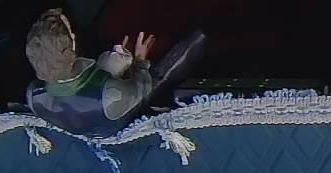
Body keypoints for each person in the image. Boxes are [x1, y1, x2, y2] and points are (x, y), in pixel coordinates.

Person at [24, 8, 206, 136]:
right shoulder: (108, 97)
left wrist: (104, 70)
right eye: (70, 33)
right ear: (67, 48)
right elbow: (143, 87)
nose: (73, 35)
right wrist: (139, 62)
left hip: (97, 98)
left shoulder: (34, 95)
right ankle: (205, 33)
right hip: (117, 115)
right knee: (158, 79)